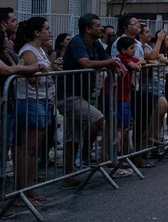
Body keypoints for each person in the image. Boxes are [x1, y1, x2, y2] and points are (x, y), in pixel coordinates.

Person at [59, 14, 120, 188]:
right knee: (97, 119)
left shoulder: (96, 43)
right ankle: (86, 155)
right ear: (87, 29)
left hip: (82, 95)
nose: (101, 28)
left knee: (72, 136)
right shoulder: (78, 42)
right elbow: (85, 63)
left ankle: (68, 176)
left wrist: (114, 63)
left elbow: (105, 59)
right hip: (69, 95)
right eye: (98, 26)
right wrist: (110, 62)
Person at [14, 17, 54, 206]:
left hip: (42, 100)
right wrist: (43, 70)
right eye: (46, 29)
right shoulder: (28, 51)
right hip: (31, 101)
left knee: (33, 148)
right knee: (28, 149)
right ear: (37, 33)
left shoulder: (40, 50)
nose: (49, 31)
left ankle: (29, 190)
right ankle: (23, 191)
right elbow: (31, 77)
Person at [113, 37, 142, 157]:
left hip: (126, 96)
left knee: (127, 124)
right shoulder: (121, 58)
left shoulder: (129, 58)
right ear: (123, 50)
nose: (134, 50)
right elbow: (136, 66)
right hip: (119, 97)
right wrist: (137, 64)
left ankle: (121, 145)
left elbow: (141, 61)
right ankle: (117, 144)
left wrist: (138, 62)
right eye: (131, 48)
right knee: (121, 124)